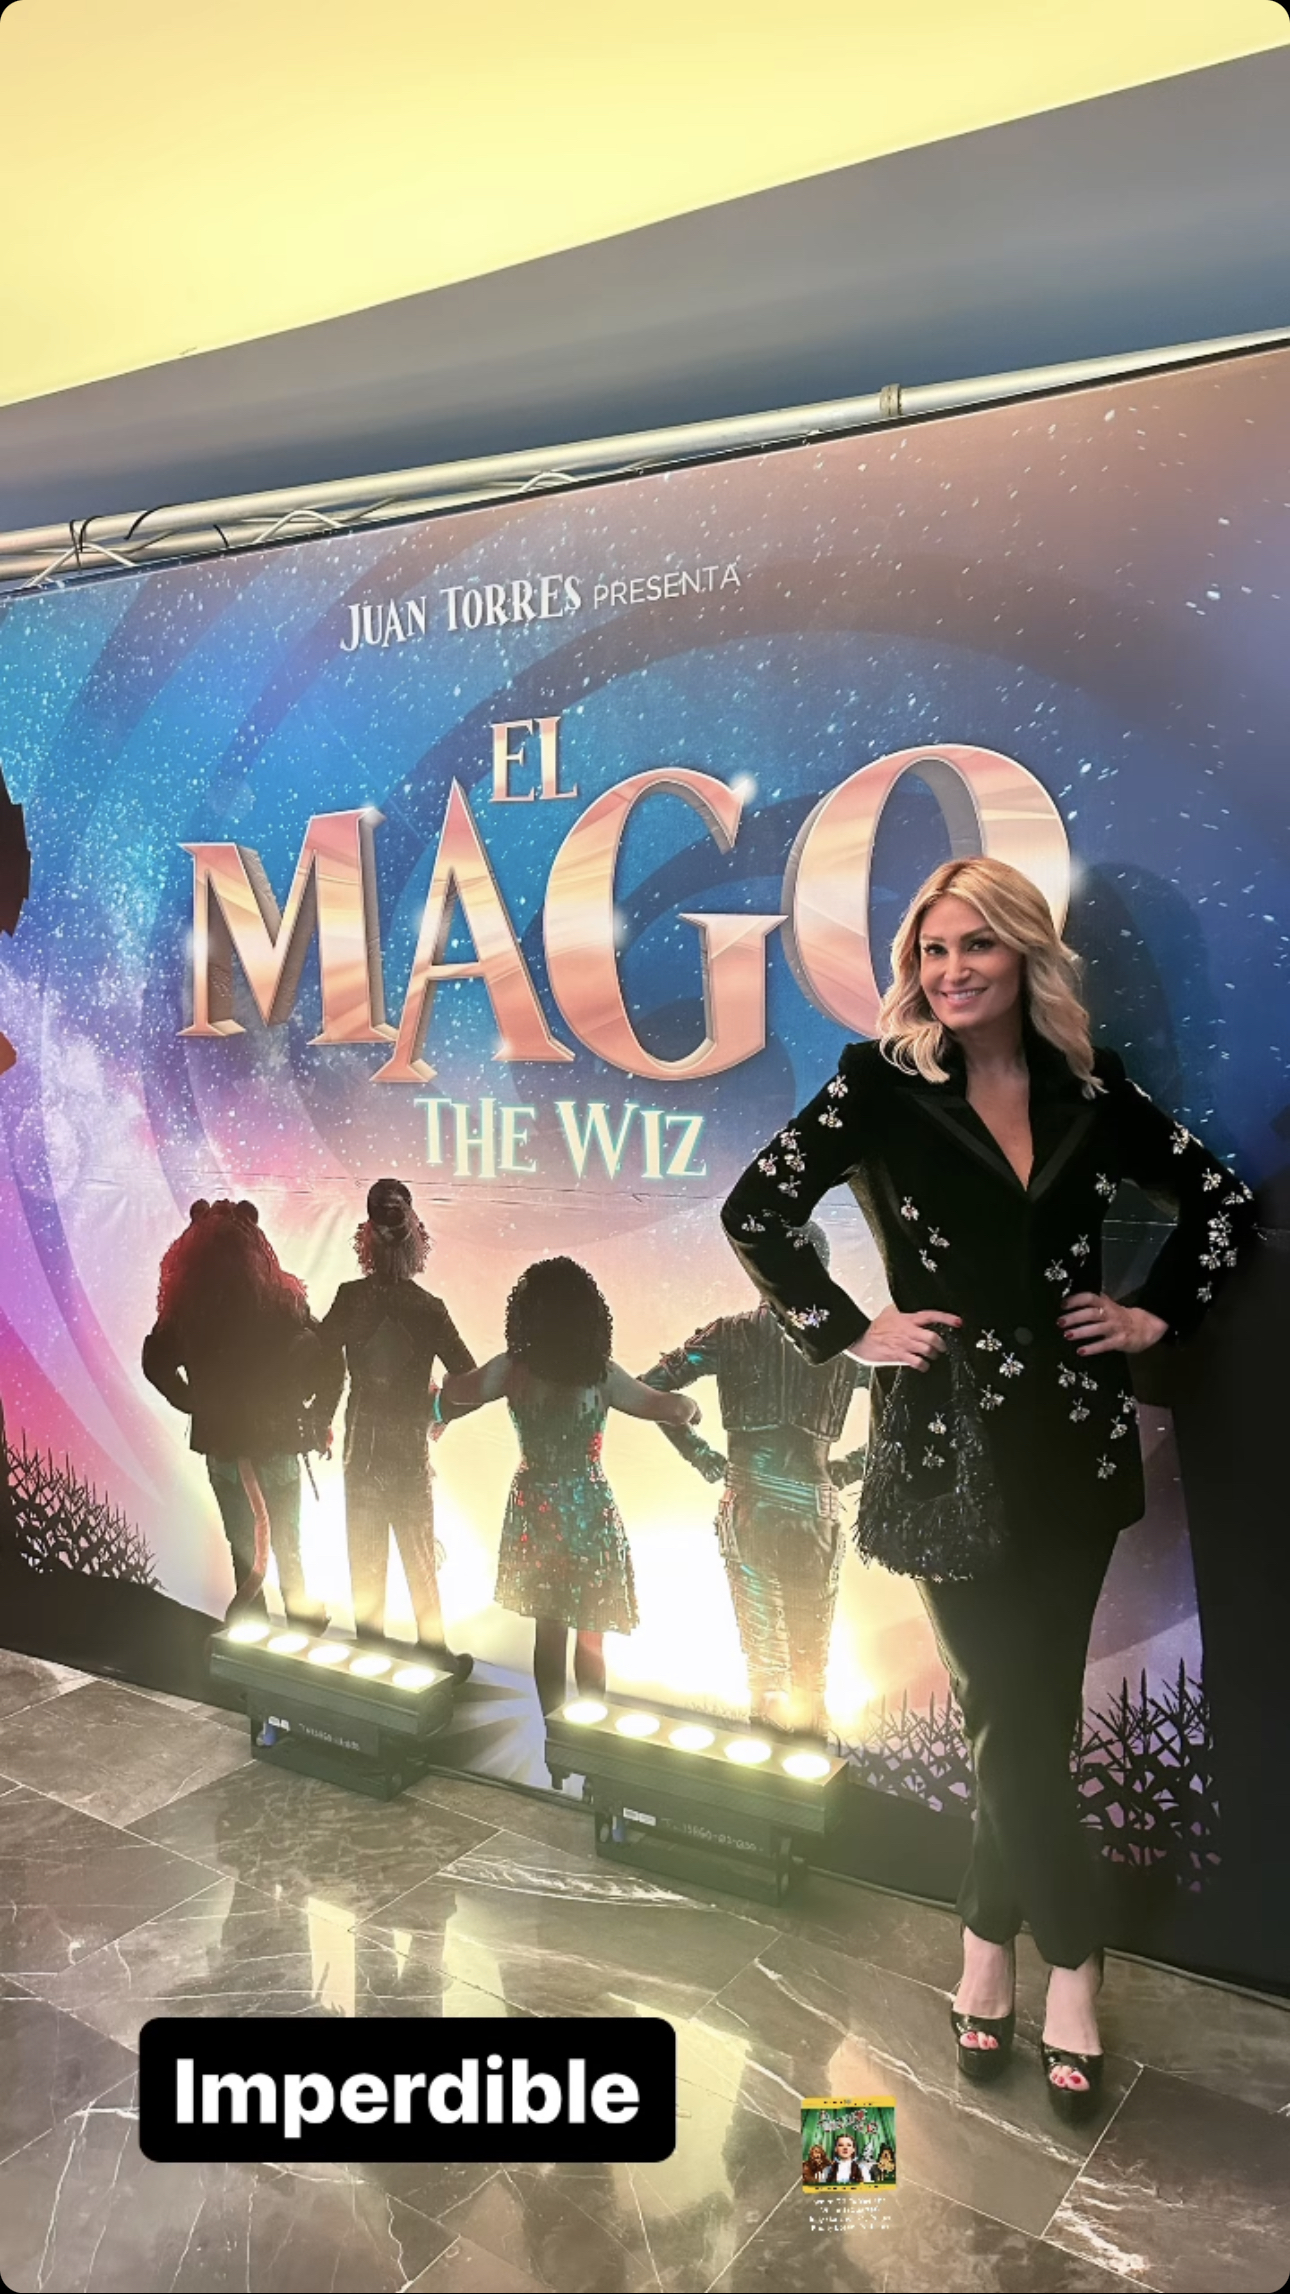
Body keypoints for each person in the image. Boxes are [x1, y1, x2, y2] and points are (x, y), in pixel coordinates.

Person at [721, 855, 1258, 2122]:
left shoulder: (1092, 1085)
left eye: (978, 944)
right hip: (943, 1446)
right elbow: (757, 1212)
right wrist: (850, 1327)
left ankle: (981, 1938)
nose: (952, 969)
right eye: (933, 948)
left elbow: (1220, 1204)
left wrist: (1152, 1312)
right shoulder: (879, 1085)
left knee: (1030, 1715)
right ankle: (1074, 1960)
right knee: (1004, 1712)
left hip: (1074, 1443)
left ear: (1025, 954)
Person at [439, 1256, 699, 1716]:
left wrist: (441, 1385)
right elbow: (668, 1408)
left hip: (535, 1506)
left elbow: (458, 1390)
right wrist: (691, 1407)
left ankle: (552, 1732)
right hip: (589, 1508)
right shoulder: (601, 1373)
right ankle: (589, 1732)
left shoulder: (512, 1369)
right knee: (592, 1631)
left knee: (549, 1630)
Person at [639, 1225, 869, 1738]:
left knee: (766, 1669)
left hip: (749, 1505)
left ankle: (767, 1769)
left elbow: (649, 1390)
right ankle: (809, 1774)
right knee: (811, 1673)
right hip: (815, 1508)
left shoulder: (730, 1333)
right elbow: (906, 1413)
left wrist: (701, 1455)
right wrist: (849, 1467)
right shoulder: (850, 1344)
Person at [142, 1198, 328, 1625]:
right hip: (276, 1445)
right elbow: (320, 1353)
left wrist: (193, 1401)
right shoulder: (283, 1300)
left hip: (226, 1448)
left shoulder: (187, 1309)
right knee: (287, 1543)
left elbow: (156, 1363)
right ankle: (299, 1617)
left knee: (243, 1545)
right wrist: (306, 1401)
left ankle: (251, 1622)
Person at [316, 1178, 475, 1675]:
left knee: (365, 1560)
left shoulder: (350, 1299)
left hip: (361, 1452)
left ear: (366, 1237)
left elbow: (320, 1360)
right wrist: (437, 1412)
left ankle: (370, 1654)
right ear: (414, 1239)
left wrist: (319, 1415)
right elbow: (468, 1379)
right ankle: (435, 1652)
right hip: (408, 1452)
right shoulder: (428, 1308)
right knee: (419, 1556)